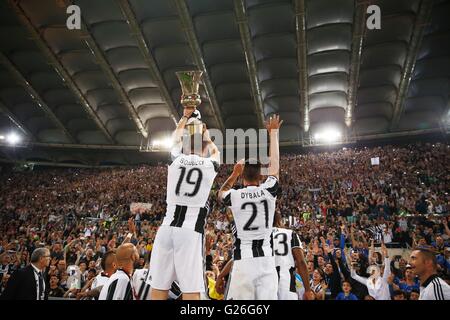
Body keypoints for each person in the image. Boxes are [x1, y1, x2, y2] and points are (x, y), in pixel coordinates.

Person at [150, 107, 220, 300]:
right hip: (189, 232)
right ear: (204, 147)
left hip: (166, 228)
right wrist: (206, 134)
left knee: (158, 288)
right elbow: (216, 152)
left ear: (184, 146)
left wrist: (184, 118)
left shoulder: (176, 159)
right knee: (191, 291)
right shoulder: (209, 164)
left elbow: (174, 141)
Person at [218, 115, 282, 300]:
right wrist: (274, 134)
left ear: (242, 176)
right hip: (266, 260)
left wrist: (233, 174)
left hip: (243, 261)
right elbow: (275, 167)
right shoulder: (268, 190)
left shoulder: (235, 195)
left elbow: (220, 193)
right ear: (261, 177)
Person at [273, 213, 313, 300]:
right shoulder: (289, 233)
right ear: (279, 221)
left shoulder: (259, 236)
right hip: (285, 280)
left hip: (265, 281)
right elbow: (301, 262)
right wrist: (307, 290)